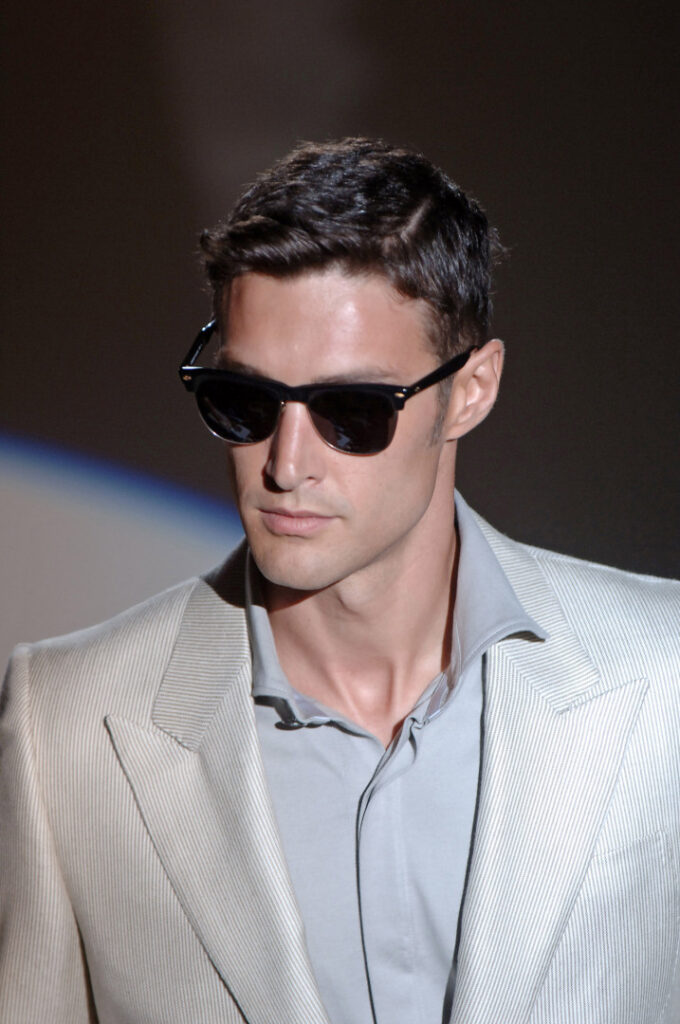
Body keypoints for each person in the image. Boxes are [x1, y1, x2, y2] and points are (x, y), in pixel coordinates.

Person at [1, 138, 678, 1024]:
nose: (285, 465)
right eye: (244, 402)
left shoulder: (662, 679)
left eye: (352, 411)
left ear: (472, 390)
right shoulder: (65, 728)